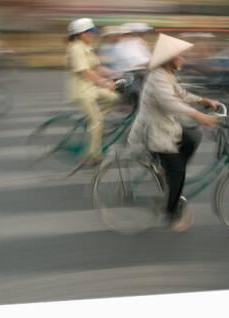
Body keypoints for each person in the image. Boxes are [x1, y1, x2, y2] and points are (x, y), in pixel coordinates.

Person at [127, 33, 220, 232]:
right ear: (170, 59)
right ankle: (170, 215)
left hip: (167, 127)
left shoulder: (167, 74)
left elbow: (181, 94)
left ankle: (170, 173)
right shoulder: (158, 77)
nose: (183, 59)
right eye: (180, 56)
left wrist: (203, 100)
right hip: (154, 132)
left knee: (193, 137)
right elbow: (169, 102)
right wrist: (198, 115)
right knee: (178, 172)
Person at [66, 18, 120, 166]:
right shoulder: (75, 48)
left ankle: (95, 122)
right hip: (82, 90)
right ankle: (93, 155)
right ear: (80, 33)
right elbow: (85, 72)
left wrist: (116, 73)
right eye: (90, 32)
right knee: (97, 121)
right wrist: (104, 82)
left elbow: (97, 68)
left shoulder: (87, 47)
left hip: (92, 87)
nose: (92, 35)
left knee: (114, 97)